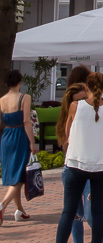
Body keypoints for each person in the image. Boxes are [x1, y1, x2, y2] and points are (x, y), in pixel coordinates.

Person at [55, 72, 103, 243]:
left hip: (76, 162)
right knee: (98, 211)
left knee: (69, 211)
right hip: (101, 165)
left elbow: (67, 132)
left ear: (86, 87)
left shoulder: (75, 106)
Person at [1, 70, 37, 226]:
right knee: (20, 175)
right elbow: (27, 121)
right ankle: (2, 205)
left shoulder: (1, 100)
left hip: (6, 136)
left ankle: (19, 210)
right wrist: (32, 142)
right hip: (20, 136)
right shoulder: (24, 97)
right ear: (20, 82)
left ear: (6, 84)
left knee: (13, 174)